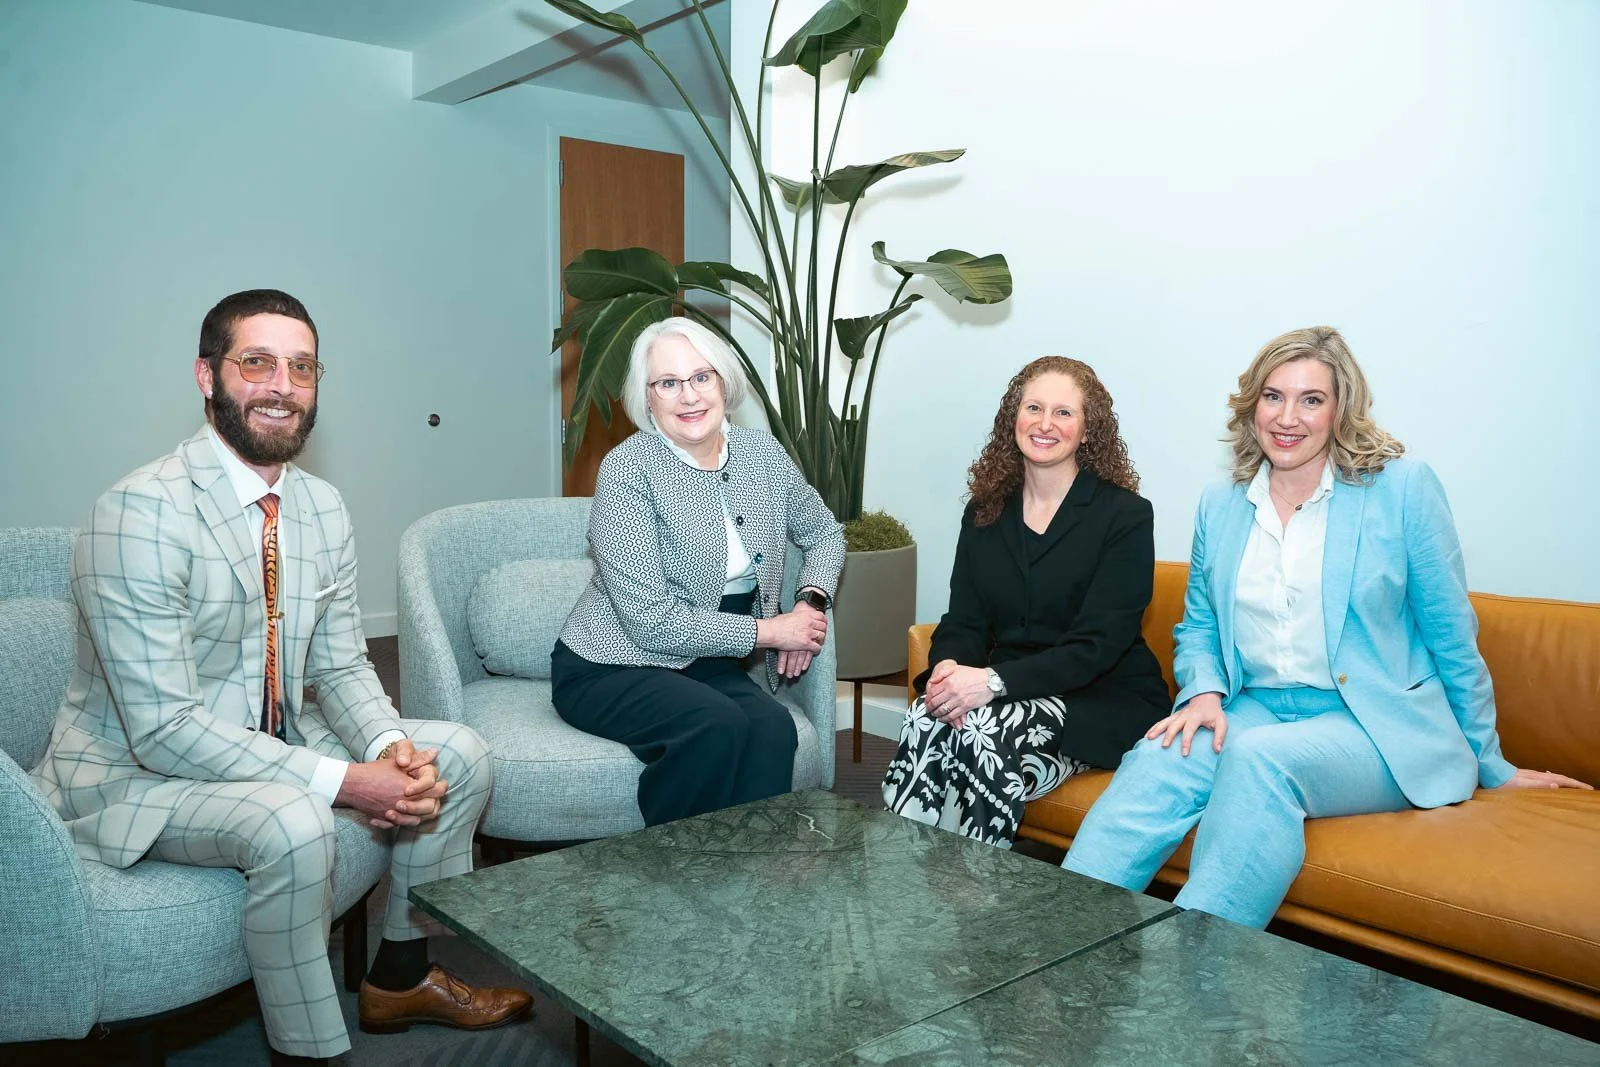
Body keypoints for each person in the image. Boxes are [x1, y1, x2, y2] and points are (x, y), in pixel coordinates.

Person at [33, 290, 531, 1065]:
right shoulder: (138, 511)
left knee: (456, 752)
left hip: (269, 738)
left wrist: (393, 745)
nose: (282, 385)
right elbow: (164, 729)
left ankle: (401, 974)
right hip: (134, 776)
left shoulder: (320, 507)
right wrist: (345, 780)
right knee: (291, 821)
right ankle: (310, 1052)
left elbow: (338, 661)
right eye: (256, 362)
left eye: (302, 367)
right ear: (207, 375)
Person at [1063, 326, 1593, 927]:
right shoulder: (1223, 503)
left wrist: (1491, 763)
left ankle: (1197, 982)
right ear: (1252, 406)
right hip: (1256, 706)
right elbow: (1201, 624)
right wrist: (1205, 692)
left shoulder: (1401, 490)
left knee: (1262, 761)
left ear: (1341, 408)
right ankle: (1057, 954)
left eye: (1311, 399)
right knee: (1159, 758)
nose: (1288, 417)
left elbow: (1451, 635)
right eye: (1273, 397)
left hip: (1373, 726)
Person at [551, 316, 845, 826]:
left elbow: (824, 531)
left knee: (773, 727)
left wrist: (810, 603)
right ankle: (670, 880)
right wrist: (772, 632)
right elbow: (650, 620)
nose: (688, 396)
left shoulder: (762, 455)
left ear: (724, 382)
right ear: (648, 399)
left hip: (707, 657)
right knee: (714, 725)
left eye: (701, 377)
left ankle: (749, 873)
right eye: (668, 383)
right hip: (611, 663)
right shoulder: (627, 469)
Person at [881, 356, 1170, 847]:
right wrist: (949, 674)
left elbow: (1098, 646)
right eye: (1033, 407)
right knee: (926, 715)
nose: (1044, 424)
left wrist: (991, 683)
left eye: (1063, 412)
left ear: (1088, 430)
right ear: (1012, 418)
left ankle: (976, 897)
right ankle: (908, 882)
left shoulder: (1125, 517)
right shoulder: (986, 510)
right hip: (1009, 693)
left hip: (1101, 700)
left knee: (985, 734)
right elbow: (964, 619)